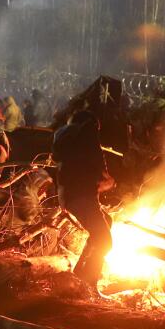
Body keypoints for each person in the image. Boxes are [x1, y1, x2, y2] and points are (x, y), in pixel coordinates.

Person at [52, 109, 114, 288]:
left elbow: (68, 171)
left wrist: (63, 196)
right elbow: (97, 160)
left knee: (106, 222)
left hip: (71, 197)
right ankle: (90, 284)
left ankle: (79, 273)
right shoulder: (88, 130)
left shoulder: (65, 140)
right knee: (105, 241)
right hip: (84, 197)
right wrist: (106, 178)